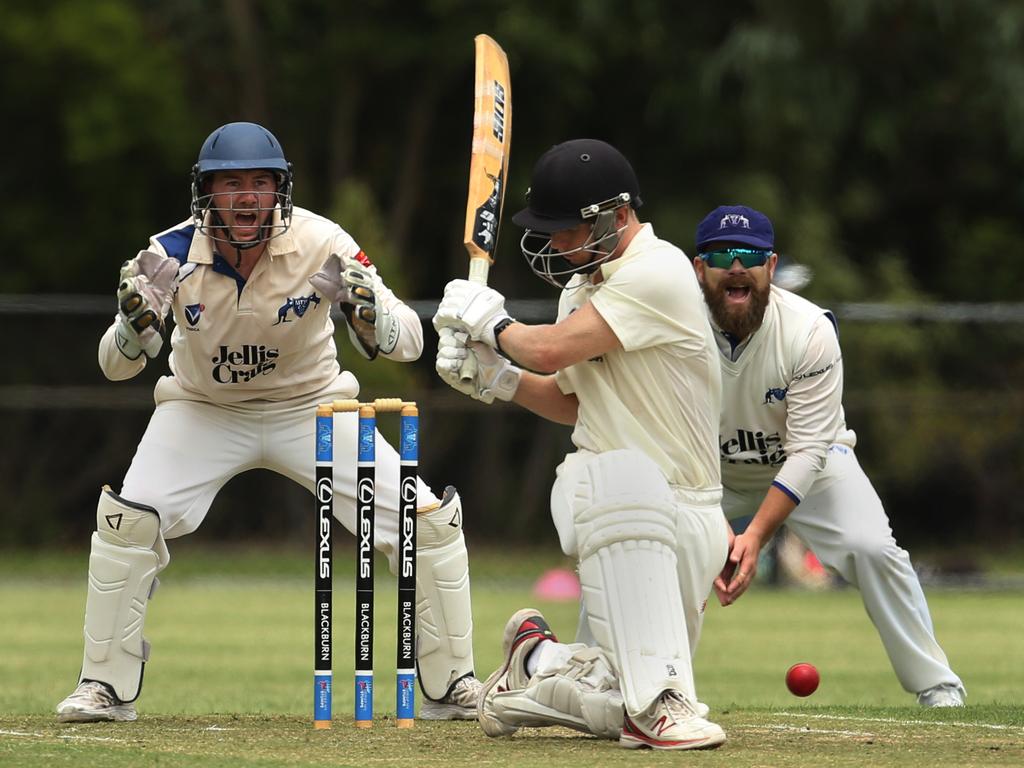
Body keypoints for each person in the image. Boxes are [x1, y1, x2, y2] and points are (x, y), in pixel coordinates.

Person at [56, 122, 480, 722]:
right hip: (203, 410)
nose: (248, 197)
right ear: (206, 193)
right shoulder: (168, 253)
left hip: (312, 408)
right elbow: (113, 367)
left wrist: (369, 313)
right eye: (232, 184)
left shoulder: (321, 243)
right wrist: (133, 328)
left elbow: (410, 340)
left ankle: (452, 683)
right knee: (128, 523)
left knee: (427, 525)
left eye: (261, 182)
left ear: (280, 189)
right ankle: (102, 686)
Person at [434, 139, 729, 750]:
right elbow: (575, 401)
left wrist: (493, 326)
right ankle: (657, 705)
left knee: (621, 693)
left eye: (570, 229)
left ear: (617, 216)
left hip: (692, 508)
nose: (559, 243)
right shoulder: (582, 290)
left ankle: (536, 666)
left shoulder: (660, 271)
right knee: (614, 474)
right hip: (617, 502)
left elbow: (547, 350)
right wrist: (498, 379)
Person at [692, 204, 965, 707]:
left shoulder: (809, 329)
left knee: (872, 549)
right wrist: (709, 521)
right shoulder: (676, 328)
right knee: (649, 544)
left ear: (771, 268)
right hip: (705, 471)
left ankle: (938, 686)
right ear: (698, 268)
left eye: (749, 255)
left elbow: (809, 450)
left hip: (813, 464)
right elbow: (667, 434)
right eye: (722, 255)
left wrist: (754, 535)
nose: (736, 266)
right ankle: (628, 682)